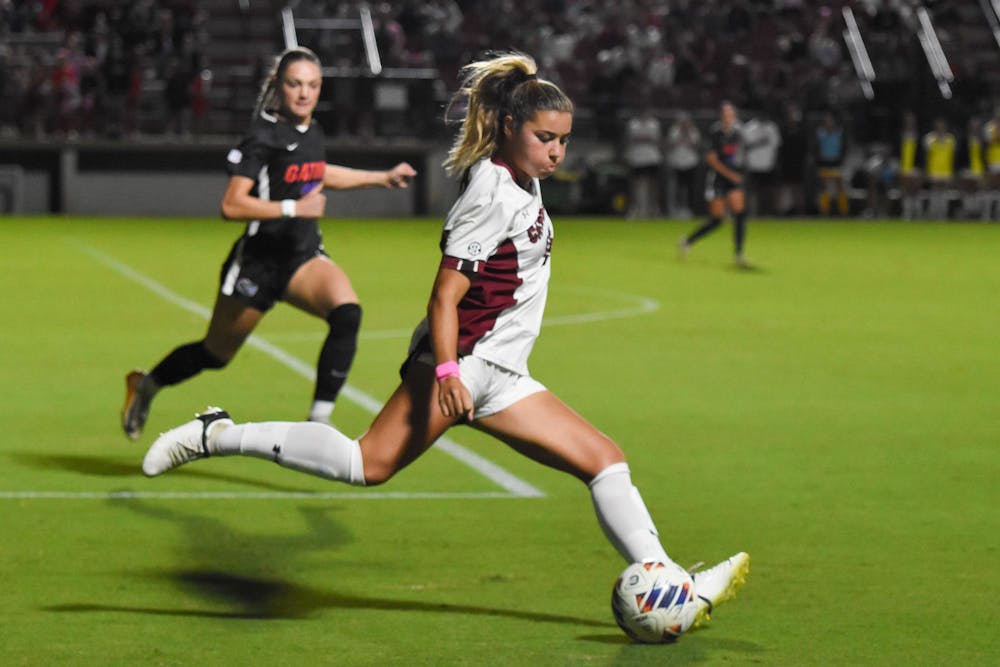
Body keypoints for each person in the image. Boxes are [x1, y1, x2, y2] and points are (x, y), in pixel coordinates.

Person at [140, 52, 749, 637]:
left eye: (564, 139)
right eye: (545, 138)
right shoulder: (490, 190)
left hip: (503, 374)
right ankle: (216, 433)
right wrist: (449, 373)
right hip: (461, 363)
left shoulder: (521, 174)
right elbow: (443, 298)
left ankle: (673, 583)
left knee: (604, 460)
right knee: (365, 464)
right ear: (512, 128)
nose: (557, 151)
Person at [121, 47, 417, 439]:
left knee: (347, 314)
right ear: (279, 86)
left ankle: (318, 425)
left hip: (301, 257)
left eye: (312, 85)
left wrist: (380, 178)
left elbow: (318, 172)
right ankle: (146, 386)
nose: (304, 93)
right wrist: (295, 208)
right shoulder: (260, 138)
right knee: (215, 354)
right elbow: (231, 204)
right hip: (258, 263)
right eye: (295, 84)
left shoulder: (312, 130)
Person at [678, 101, 752, 268]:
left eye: (731, 114)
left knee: (740, 213)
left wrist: (738, 172)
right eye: (725, 114)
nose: (728, 117)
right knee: (717, 220)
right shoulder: (715, 133)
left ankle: (739, 255)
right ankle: (687, 241)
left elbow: (737, 155)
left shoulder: (737, 133)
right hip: (718, 179)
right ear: (721, 116)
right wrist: (731, 175)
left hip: (733, 179)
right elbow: (711, 159)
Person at [665, 112, 701, 218]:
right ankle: (676, 208)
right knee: (677, 188)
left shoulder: (694, 131)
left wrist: (687, 134)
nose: (684, 124)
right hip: (676, 163)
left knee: (689, 188)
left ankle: (688, 209)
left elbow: (696, 145)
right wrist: (680, 135)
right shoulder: (674, 130)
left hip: (690, 163)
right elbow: (670, 144)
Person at [812, 111, 849, 217]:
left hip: (837, 162)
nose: (828, 121)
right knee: (824, 187)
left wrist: (842, 159)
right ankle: (824, 211)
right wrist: (817, 160)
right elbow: (815, 148)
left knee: (840, 186)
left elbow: (845, 147)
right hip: (824, 163)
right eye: (826, 120)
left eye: (830, 119)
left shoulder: (840, 132)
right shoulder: (819, 133)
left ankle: (843, 211)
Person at [921, 117, 955, 220]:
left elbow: (953, 157)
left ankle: (943, 214)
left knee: (944, 193)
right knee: (934, 192)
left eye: (942, 126)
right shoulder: (929, 138)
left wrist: (952, 172)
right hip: (933, 170)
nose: (940, 128)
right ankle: (933, 213)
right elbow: (926, 156)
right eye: (938, 126)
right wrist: (926, 171)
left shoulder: (950, 139)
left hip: (946, 170)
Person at [898, 111, 923, 220]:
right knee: (906, 190)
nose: (909, 122)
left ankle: (917, 213)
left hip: (915, 167)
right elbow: (897, 152)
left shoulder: (920, 136)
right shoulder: (900, 135)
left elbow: (923, 154)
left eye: (911, 121)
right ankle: (907, 213)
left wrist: (919, 168)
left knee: (915, 189)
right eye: (908, 121)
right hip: (904, 166)